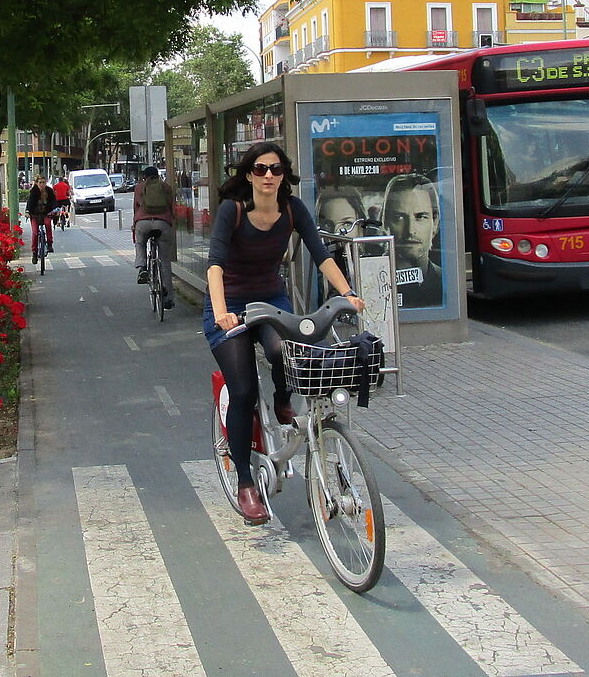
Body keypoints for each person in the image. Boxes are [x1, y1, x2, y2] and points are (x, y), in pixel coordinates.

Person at [204, 141, 364, 525]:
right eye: (260, 169)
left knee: (286, 351)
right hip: (230, 307)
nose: (269, 176)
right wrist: (223, 312)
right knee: (241, 392)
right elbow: (214, 266)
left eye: (275, 169)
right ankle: (246, 483)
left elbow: (321, 254)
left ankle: (281, 399)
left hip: (271, 298)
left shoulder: (292, 210)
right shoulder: (233, 210)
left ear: (283, 175)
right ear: (249, 175)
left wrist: (348, 294)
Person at [382, 173, 443, 308]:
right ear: (385, 223)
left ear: (435, 224)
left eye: (420, 216)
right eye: (399, 217)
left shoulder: (446, 281)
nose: (410, 230)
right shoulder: (372, 279)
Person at [133, 166, 176, 309]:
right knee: (165, 262)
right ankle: (168, 298)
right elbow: (171, 205)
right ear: (157, 175)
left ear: (145, 176)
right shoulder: (166, 187)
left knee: (140, 243)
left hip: (143, 223)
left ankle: (143, 266)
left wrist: (135, 224)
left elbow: (136, 207)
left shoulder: (139, 188)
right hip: (163, 224)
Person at [25, 175, 57, 263]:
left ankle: (50, 244)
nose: (42, 184)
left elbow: (53, 201)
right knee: (35, 233)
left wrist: (55, 209)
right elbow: (30, 202)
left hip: (46, 214)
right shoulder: (34, 191)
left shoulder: (49, 191)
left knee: (47, 224)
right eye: (40, 183)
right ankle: (34, 253)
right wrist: (27, 211)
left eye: (43, 182)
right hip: (35, 215)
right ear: (36, 183)